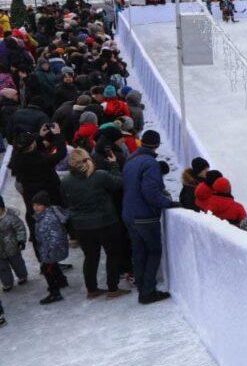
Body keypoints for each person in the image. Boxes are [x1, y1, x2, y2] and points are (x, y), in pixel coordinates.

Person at [61, 149, 130, 300]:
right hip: (106, 223)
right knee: (112, 255)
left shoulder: (66, 181)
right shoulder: (100, 176)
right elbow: (119, 183)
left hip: (81, 226)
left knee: (90, 257)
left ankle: (91, 290)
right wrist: (114, 165)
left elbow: (65, 201)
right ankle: (113, 289)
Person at [121, 130, 175, 304]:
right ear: (157, 145)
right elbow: (150, 191)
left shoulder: (131, 160)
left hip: (129, 214)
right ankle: (148, 292)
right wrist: (167, 202)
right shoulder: (150, 163)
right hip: (144, 215)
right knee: (153, 251)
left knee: (139, 252)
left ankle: (142, 286)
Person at [32, 191, 69, 305]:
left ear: (45, 205)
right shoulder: (43, 215)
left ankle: (55, 293)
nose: (35, 207)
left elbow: (56, 237)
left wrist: (48, 252)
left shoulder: (48, 219)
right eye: (34, 205)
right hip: (49, 249)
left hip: (51, 250)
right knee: (51, 266)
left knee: (47, 269)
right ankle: (62, 281)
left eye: (38, 204)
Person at [0, 196, 28, 291]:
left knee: (17, 264)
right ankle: (7, 283)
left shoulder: (11, 217)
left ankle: (22, 276)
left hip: (12, 247)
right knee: (2, 268)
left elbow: (20, 229)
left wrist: (21, 241)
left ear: (2, 208)